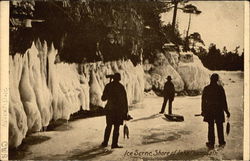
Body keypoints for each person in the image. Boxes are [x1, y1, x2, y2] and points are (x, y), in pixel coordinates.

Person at [201, 73, 230, 149]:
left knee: (210, 127)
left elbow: (203, 101)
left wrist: (203, 111)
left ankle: (211, 143)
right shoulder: (220, 88)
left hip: (209, 110)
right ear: (217, 80)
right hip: (219, 110)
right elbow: (224, 101)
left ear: (211, 79)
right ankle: (221, 142)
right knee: (219, 126)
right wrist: (226, 111)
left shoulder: (206, 88)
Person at [101, 73, 128, 149]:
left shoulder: (108, 86)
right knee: (116, 127)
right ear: (119, 79)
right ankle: (114, 144)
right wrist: (125, 112)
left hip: (110, 109)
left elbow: (103, 98)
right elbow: (125, 101)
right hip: (118, 111)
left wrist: (108, 91)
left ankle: (105, 142)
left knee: (108, 126)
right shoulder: (121, 87)